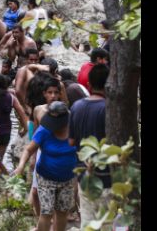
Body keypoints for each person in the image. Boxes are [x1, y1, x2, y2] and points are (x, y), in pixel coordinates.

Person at [14, 101, 78, 231]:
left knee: (62, 212)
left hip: (68, 179)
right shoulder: (44, 130)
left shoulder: (75, 129)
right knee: (46, 212)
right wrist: (20, 166)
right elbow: (28, 150)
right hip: (46, 178)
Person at [69, 64, 110, 227]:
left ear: (89, 85)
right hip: (107, 177)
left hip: (84, 175)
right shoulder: (109, 109)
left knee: (87, 223)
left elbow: (71, 141)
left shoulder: (76, 107)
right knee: (109, 223)